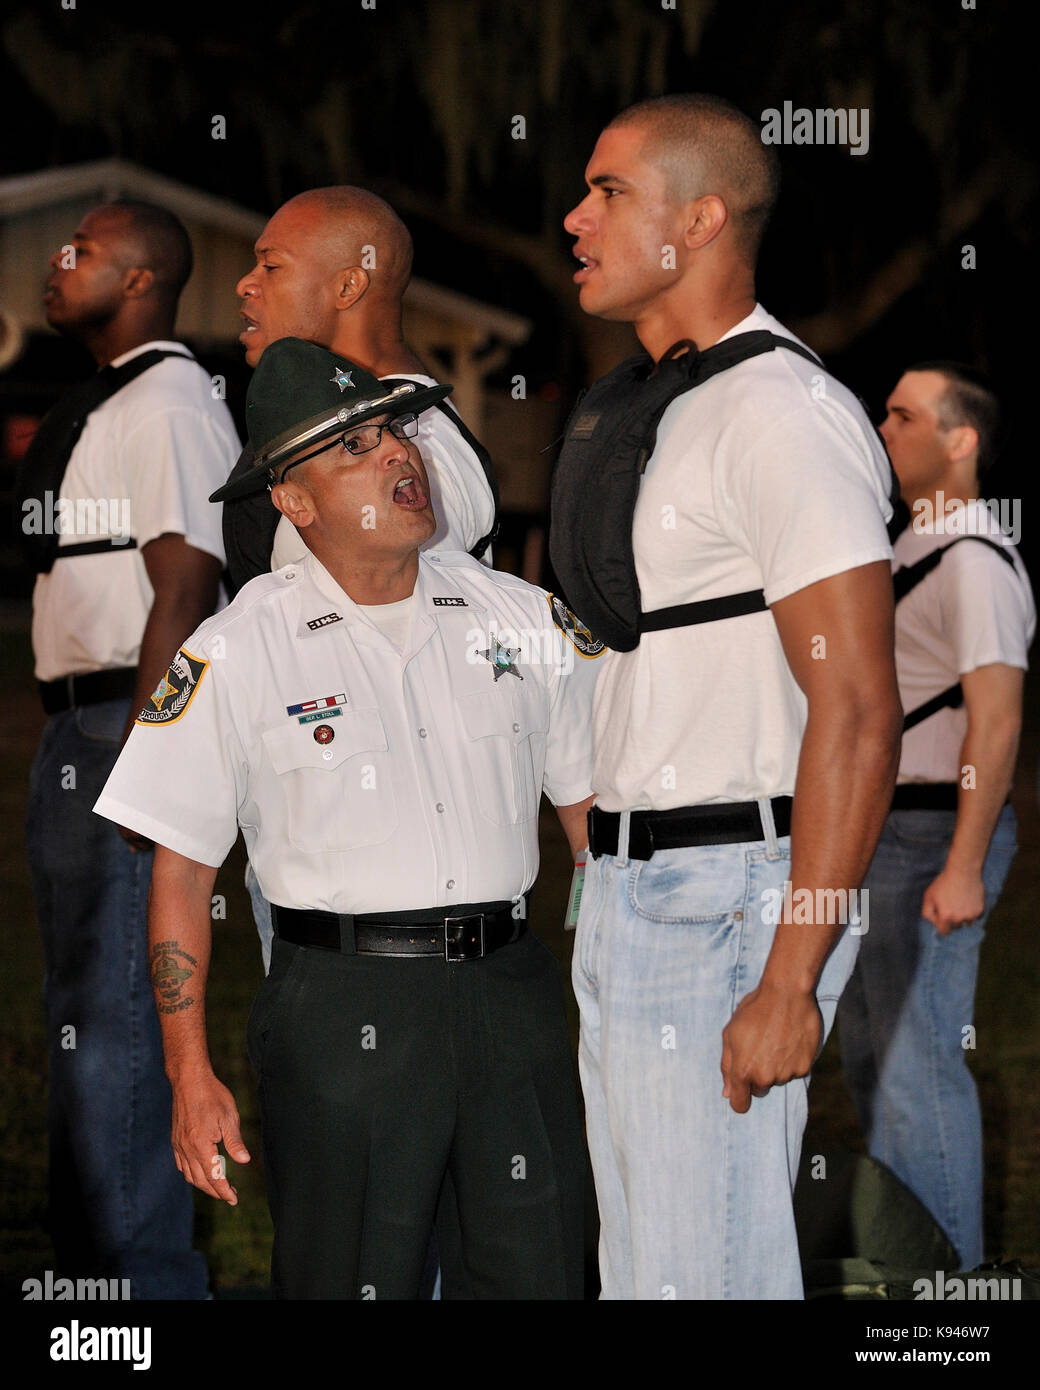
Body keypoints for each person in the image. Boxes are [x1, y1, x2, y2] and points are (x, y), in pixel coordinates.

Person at [95, 339, 599, 1300]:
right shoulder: (239, 651)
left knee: (538, 1273)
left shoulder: (523, 617)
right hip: (343, 1012)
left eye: (399, 429)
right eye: (357, 446)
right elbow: (181, 876)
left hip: (512, 999)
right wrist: (189, 1076)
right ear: (294, 500)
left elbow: (587, 826)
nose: (399, 456)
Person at [555, 94, 903, 1299]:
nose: (573, 217)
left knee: (702, 1271)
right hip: (636, 890)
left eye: (607, 192)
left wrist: (791, 977)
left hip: (733, 902)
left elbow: (858, 707)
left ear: (698, 219)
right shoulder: (656, 406)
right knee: (650, 1266)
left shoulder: (780, 412)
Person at [22, 200, 239, 1298]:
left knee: (113, 1018)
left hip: (122, 731)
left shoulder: (169, 399)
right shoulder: (104, 402)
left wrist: (150, 769)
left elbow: (186, 589)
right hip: (78, 725)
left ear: (145, 278)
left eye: (83, 253)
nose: (58, 267)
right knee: (79, 1014)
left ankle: (136, 1293)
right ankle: (88, 1276)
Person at [219, 186, 498, 973]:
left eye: (270, 265)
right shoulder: (319, 434)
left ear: (350, 285)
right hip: (319, 840)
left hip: (391, 877)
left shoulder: (422, 447)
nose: (246, 285)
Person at [838, 363, 1034, 1271]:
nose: (883, 427)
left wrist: (963, 863)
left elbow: (997, 719)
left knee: (919, 1070)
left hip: (932, 836)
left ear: (962, 443)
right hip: (884, 832)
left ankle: (956, 1296)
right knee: (876, 1068)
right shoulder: (905, 548)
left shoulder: (977, 559)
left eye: (905, 416)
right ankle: (902, 1273)